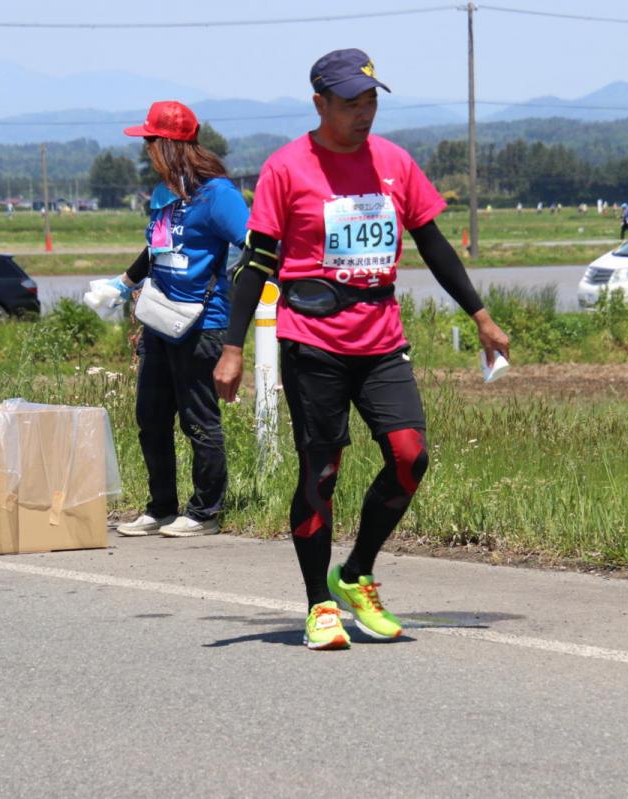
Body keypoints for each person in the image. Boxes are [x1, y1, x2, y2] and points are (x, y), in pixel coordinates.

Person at [214, 49, 509, 651]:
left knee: (409, 456)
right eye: (351, 103)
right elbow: (257, 262)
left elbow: (433, 243)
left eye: (371, 100)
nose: (363, 113)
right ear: (320, 104)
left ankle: (354, 574)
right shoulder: (286, 168)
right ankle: (318, 605)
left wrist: (480, 315)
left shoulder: (394, 163)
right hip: (313, 340)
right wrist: (232, 347)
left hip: (381, 339)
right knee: (322, 470)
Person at [108, 100, 250, 539]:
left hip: (202, 324)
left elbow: (255, 244)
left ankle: (205, 511)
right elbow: (157, 249)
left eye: (150, 141)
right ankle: (161, 507)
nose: (146, 149)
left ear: (167, 145)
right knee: (150, 418)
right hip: (158, 321)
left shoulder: (218, 194)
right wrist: (124, 283)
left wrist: (239, 283)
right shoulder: (164, 194)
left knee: (198, 420)